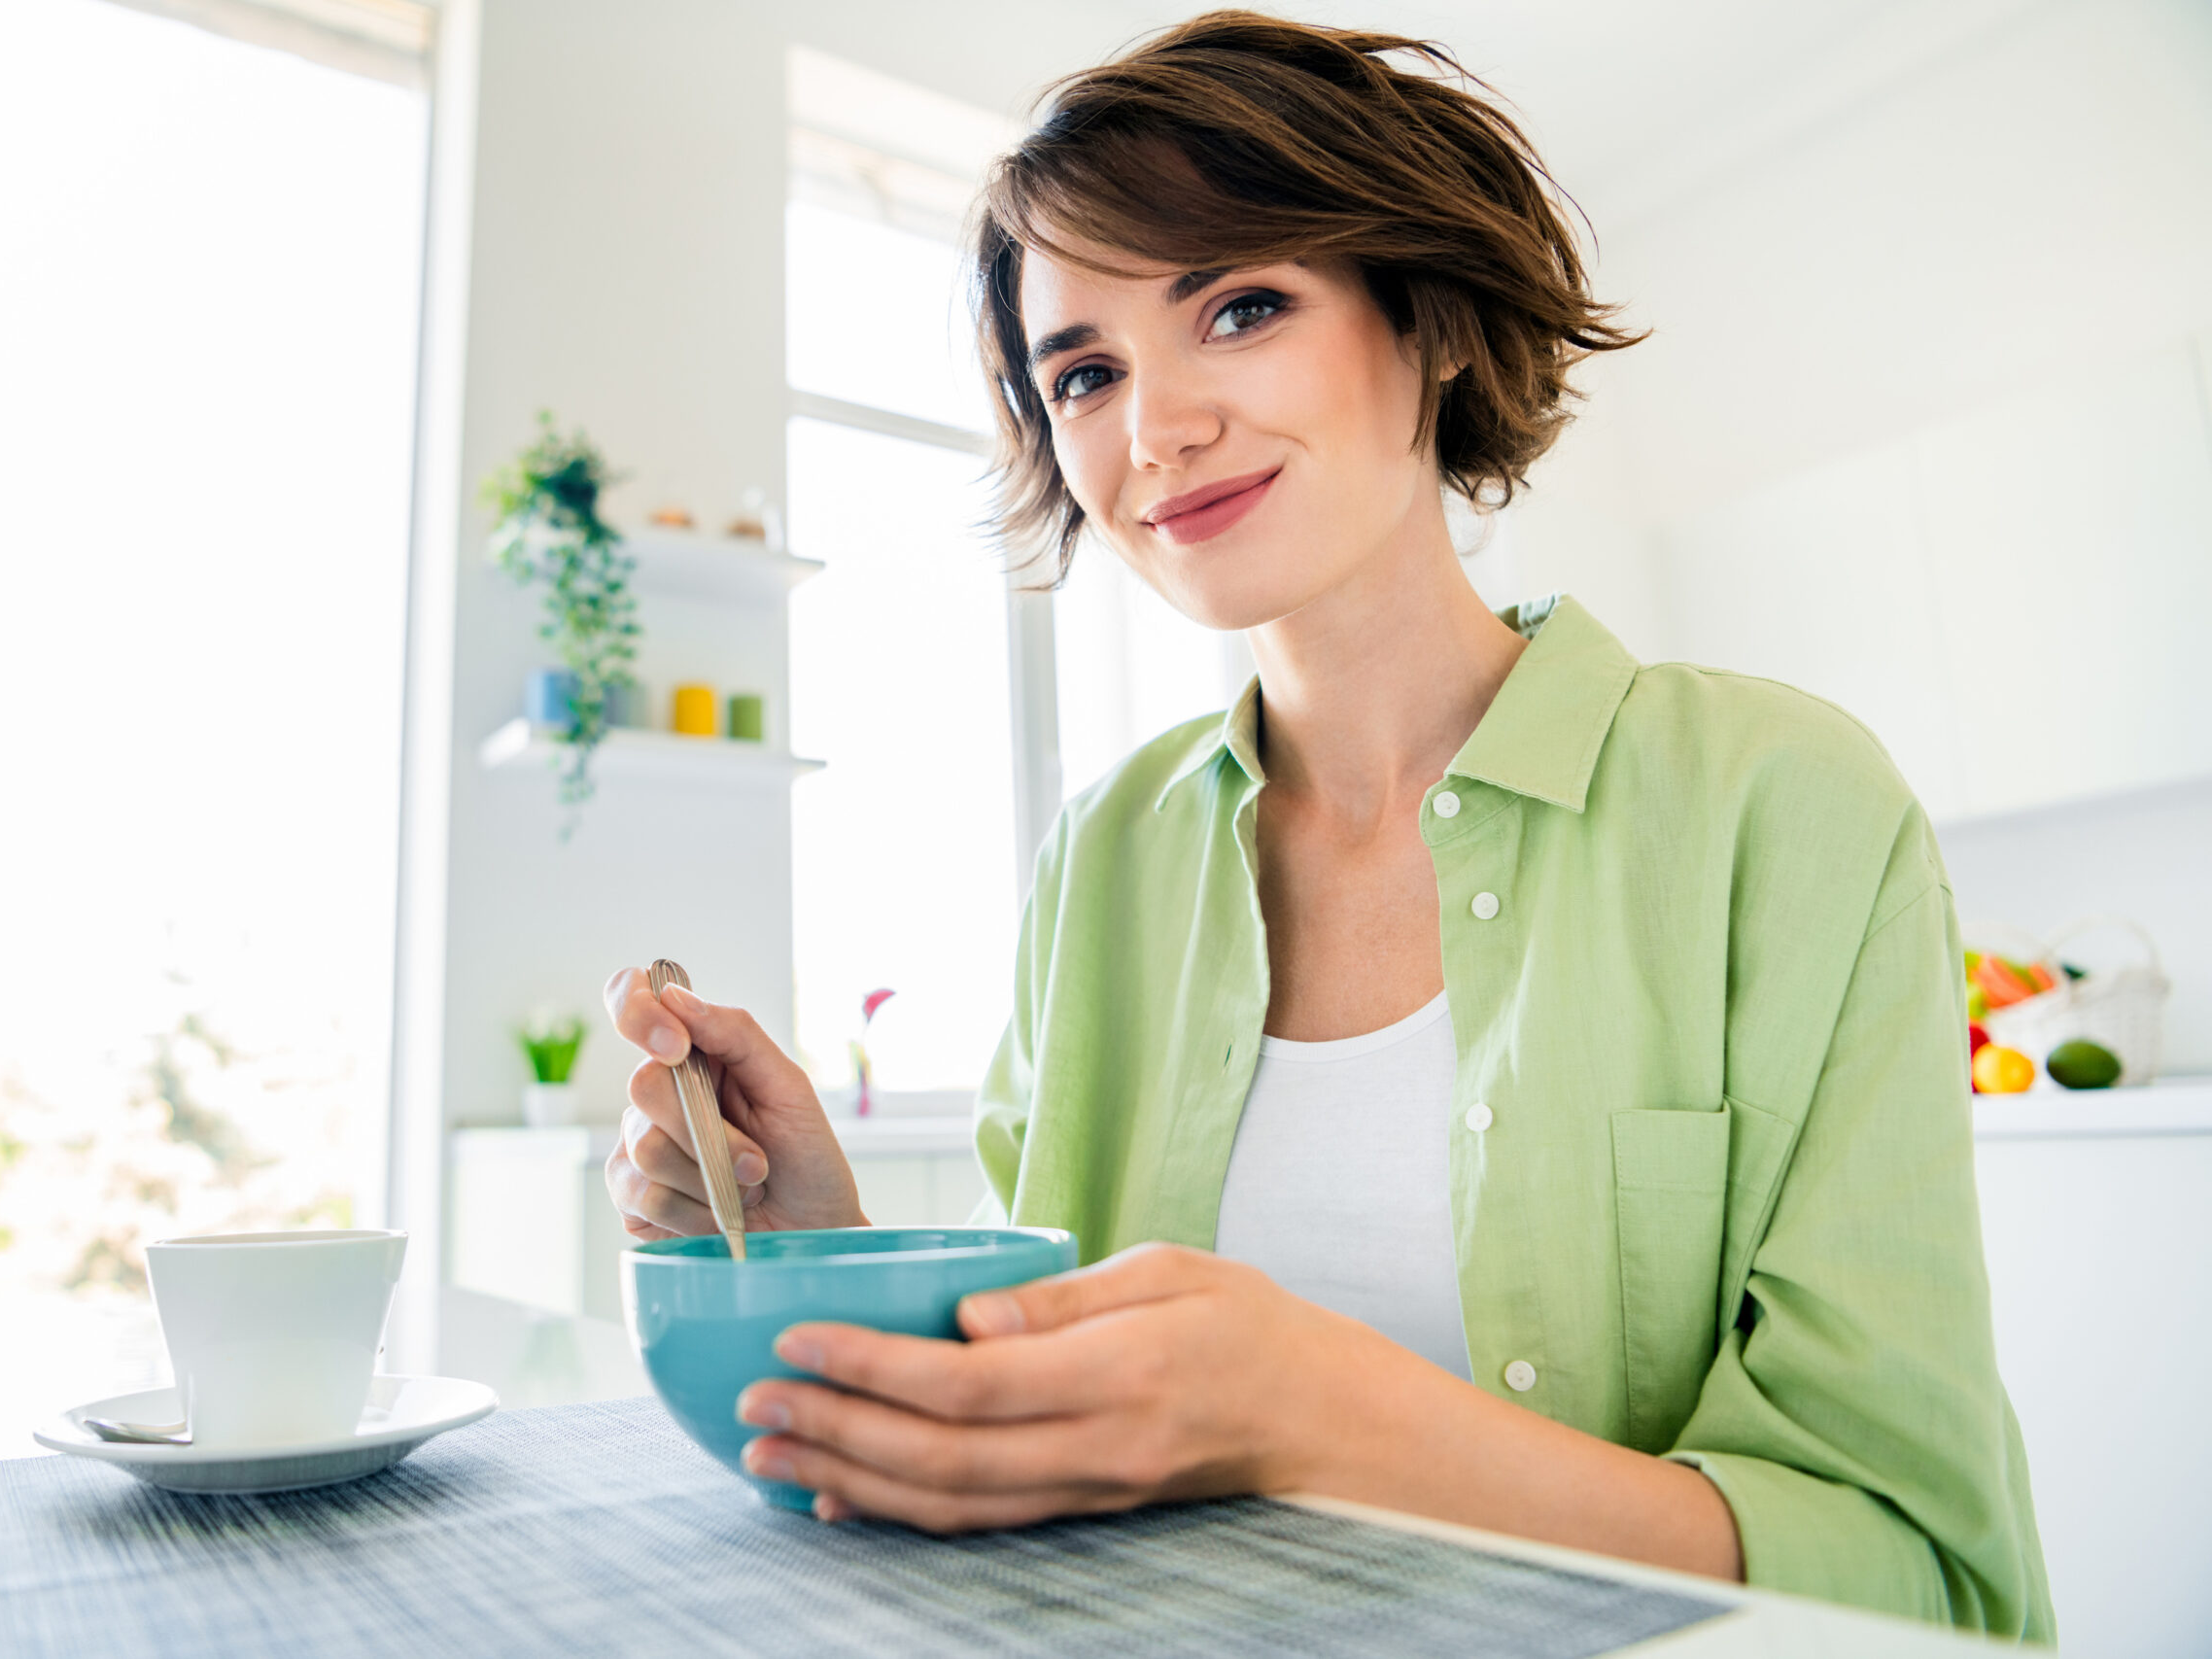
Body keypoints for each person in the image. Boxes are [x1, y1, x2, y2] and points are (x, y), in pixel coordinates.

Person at [601, 11, 2050, 1641]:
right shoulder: (1106, 857)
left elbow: (1918, 1574)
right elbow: (1087, 1399)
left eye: (1240, 306)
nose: (1154, 431)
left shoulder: (1780, 803)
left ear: (1426, 322)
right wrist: (830, 1252)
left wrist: (1319, 1412)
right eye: (1084, 372)